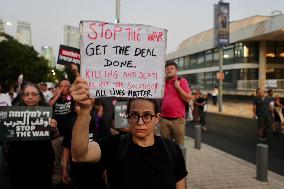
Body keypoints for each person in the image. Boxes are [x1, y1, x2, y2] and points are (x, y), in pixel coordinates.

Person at [70, 77, 188, 189]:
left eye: (147, 115)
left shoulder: (172, 149)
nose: (140, 122)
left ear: (157, 118)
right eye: (134, 115)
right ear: (128, 118)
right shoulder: (114, 145)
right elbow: (79, 155)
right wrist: (84, 112)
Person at [6, 82, 58, 189]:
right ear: (22, 97)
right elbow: (7, 136)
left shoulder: (47, 112)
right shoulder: (12, 113)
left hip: (42, 160)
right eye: (27, 94)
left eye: (34, 94)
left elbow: (54, 136)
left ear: (40, 97)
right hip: (19, 161)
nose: (30, 97)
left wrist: (53, 127)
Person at [62, 100, 111, 189]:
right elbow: (66, 147)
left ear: (90, 107)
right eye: (78, 105)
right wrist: (64, 168)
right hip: (77, 169)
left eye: (84, 105)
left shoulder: (99, 121)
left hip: (97, 170)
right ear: (74, 107)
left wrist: (107, 167)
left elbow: (108, 146)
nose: (81, 108)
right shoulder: (70, 123)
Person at [160, 61, 191, 146]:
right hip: (163, 120)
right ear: (165, 71)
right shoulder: (162, 83)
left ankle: (177, 160)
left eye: (172, 68)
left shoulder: (182, 81)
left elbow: (188, 99)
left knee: (179, 146)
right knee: (165, 146)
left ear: (176, 70)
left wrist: (178, 87)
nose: (169, 70)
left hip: (178, 120)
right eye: (167, 68)